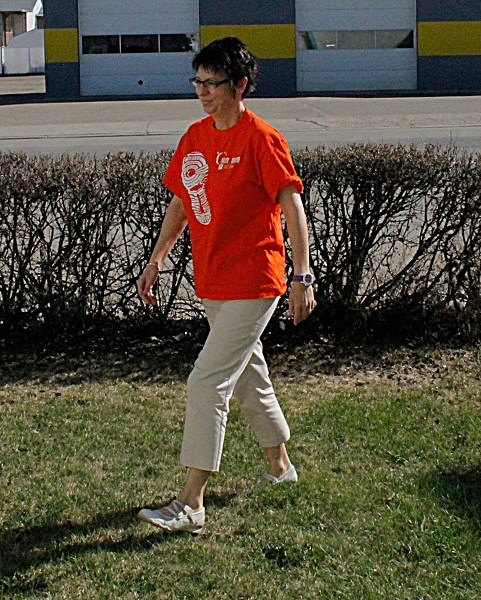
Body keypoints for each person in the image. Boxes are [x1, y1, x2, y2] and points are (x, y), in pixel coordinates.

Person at [136, 37, 316, 534]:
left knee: (207, 381)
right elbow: (180, 203)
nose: (202, 91)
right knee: (248, 376)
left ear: (239, 86)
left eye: (212, 82)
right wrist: (157, 259)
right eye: (198, 81)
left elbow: (291, 207)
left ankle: (191, 501)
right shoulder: (195, 136)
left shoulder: (262, 138)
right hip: (213, 279)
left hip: (256, 279)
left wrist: (302, 276)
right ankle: (280, 468)